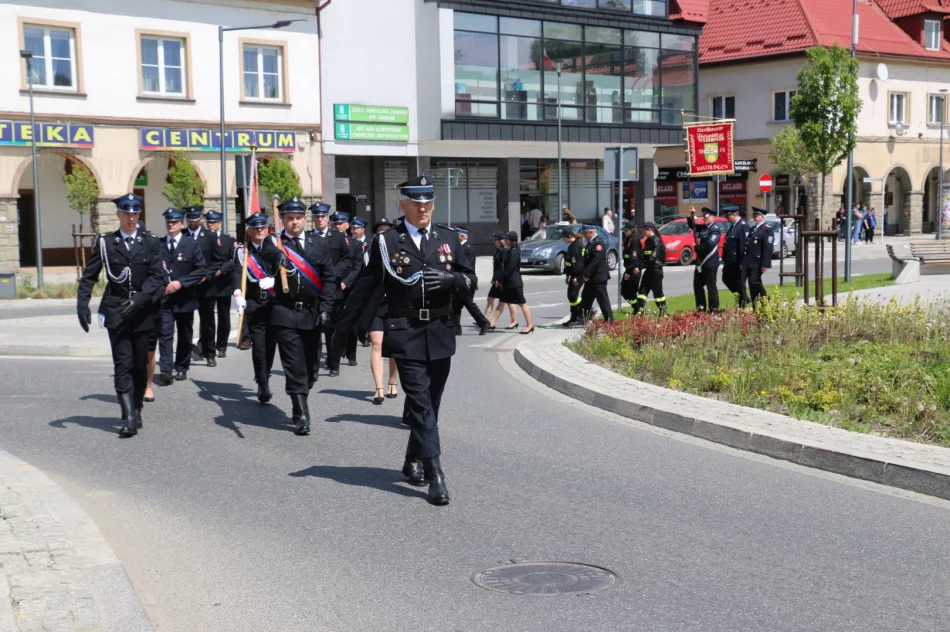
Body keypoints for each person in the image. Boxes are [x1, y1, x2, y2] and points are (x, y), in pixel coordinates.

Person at [333, 174, 478, 506]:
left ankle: (412, 458)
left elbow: (471, 281)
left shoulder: (451, 238)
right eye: (416, 203)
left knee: (430, 404)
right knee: (422, 402)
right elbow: (367, 286)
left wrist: (451, 278)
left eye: (428, 203)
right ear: (403, 206)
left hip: (440, 331)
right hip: (405, 330)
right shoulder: (386, 242)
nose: (423, 208)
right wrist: (344, 325)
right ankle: (436, 474)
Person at [77, 193, 164, 438]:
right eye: (126, 213)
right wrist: (82, 304)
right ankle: (127, 416)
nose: (131, 218)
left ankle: (136, 407)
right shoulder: (105, 242)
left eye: (135, 213)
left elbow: (158, 277)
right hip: (116, 311)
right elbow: (90, 275)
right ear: (118, 214)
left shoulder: (150, 242)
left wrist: (139, 299)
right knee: (122, 364)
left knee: (139, 365)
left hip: (142, 311)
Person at [259, 197, 337, 435]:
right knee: (293, 364)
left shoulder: (318, 243)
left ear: (305, 219)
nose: (294, 222)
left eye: (298, 218)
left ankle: (301, 391)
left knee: (312, 366)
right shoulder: (275, 242)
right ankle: (301, 410)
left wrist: (325, 309)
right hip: (285, 313)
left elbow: (330, 278)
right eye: (289, 218)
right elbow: (266, 249)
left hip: (312, 312)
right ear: (282, 220)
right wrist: (277, 257)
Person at [157, 208, 207, 385]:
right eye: (168, 222)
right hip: (165, 298)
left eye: (174, 222)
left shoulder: (191, 245)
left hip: (185, 297)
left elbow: (201, 269)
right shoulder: (159, 244)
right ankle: (165, 369)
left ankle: (181, 367)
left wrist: (181, 283)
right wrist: (165, 283)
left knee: (185, 334)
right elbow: (155, 268)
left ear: (181, 224)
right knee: (165, 334)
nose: (170, 225)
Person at [232, 212, 278, 403]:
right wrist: (237, 293)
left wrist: (274, 280)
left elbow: (284, 269)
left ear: (267, 229)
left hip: (275, 303)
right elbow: (236, 273)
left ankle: (265, 374)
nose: (259, 230)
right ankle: (262, 383)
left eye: (262, 227)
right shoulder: (243, 252)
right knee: (258, 346)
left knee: (270, 345)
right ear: (249, 231)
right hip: (255, 304)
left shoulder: (276, 247)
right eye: (255, 227)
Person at [309, 203, 353, 377]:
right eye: (317, 216)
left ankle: (334, 364)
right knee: (314, 329)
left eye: (323, 216)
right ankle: (313, 366)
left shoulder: (338, 237)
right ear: (313, 218)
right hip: (313, 288)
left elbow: (347, 259)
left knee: (333, 330)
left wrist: (334, 273)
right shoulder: (308, 237)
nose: (320, 219)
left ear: (328, 218)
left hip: (333, 288)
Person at [365, 218, 400, 404]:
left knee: (393, 345)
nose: (383, 235)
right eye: (380, 232)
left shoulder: (400, 253)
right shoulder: (368, 255)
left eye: (387, 231)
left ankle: (392, 382)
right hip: (375, 305)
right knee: (376, 343)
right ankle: (378, 387)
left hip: (394, 305)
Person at [184, 206, 215, 364]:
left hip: (205, 286)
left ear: (201, 219)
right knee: (185, 322)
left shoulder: (209, 236)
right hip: (187, 286)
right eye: (190, 218)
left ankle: (210, 353)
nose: (193, 222)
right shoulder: (182, 235)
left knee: (207, 321)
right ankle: (186, 353)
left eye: (196, 219)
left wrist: (206, 275)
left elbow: (217, 260)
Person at [205, 211, 236, 360]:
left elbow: (234, 259)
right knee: (208, 318)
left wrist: (221, 270)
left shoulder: (228, 240)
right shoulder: (202, 239)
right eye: (208, 222)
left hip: (223, 283)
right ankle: (207, 346)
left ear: (220, 223)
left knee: (224, 317)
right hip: (208, 283)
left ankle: (221, 345)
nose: (210, 224)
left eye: (213, 222)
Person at [490, 231, 534, 334]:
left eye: (506, 239)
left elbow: (509, 269)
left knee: (522, 304)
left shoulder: (513, 251)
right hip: (508, 282)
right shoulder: (509, 250)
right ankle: (492, 323)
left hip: (514, 283)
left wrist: (501, 280)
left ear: (510, 240)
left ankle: (529, 325)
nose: (505, 240)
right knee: (501, 303)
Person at [452, 227, 492, 335]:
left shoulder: (467, 248)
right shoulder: (462, 247)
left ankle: (484, 323)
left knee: (469, 304)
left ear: (461, 236)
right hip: (461, 280)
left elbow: (465, 266)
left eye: (456, 235)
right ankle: (456, 328)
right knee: (455, 305)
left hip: (466, 281)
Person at [688, 206, 722, 313]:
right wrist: (692, 215)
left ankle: (713, 309)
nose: (704, 218)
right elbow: (692, 225)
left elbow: (710, 245)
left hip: (710, 262)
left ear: (713, 217)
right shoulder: (703, 228)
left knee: (710, 286)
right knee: (697, 285)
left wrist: (697, 247)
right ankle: (701, 309)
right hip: (700, 263)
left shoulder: (714, 230)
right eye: (703, 216)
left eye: (707, 216)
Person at [578, 224, 613, 323]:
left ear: (591, 232)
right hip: (592, 278)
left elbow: (595, 262)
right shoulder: (591, 242)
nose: (584, 235)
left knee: (602, 300)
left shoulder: (598, 243)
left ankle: (610, 321)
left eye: (585, 233)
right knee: (586, 299)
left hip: (598, 277)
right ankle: (582, 318)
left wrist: (586, 274)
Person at [742, 208, 775, 310]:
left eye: (757, 215)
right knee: (752, 285)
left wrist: (765, 264)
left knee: (754, 282)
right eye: (754, 215)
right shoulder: (753, 229)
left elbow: (768, 248)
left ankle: (765, 298)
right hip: (750, 262)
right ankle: (756, 306)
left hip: (758, 261)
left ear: (763, 217)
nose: (755, 217)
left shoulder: (767, 229)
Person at [485, 231, 516, 330]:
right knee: (491, 298)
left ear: (500, 240)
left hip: (501, 280)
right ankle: (484, 320)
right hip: (497, 279)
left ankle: (513, 321)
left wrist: (499, 280)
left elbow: (503, 267)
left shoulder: (503, 251)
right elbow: (496, 267)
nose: (494, 242)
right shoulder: (498, 250)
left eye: (495, 240)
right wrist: (494, 278)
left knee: (506, 301)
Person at [636, 222, 668, 317]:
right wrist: (639, 264)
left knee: (657, 293)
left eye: (644, 231)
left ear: (650, 229)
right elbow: (644, 256)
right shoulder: (648, 241)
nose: (643, 233)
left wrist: (641, 267)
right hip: (649, 270)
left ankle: (663, 312)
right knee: (642, 291)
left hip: (656, 270)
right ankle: (640, 311)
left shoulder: (656, 241)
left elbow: (652, 258)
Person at [721, 207, 750, 308]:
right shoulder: (733, 226)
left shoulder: (743, 226)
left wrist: (743, 262)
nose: (727, 219)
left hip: (738, 262)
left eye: (728, 216)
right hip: (730, 262)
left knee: (739, 284)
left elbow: (744, 246)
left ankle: (742, 304)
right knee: (726, 278)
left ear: (734, 214)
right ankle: (744, 298)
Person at [562, 226, 585, 327]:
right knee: (571, 296)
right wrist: (568, 275)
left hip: (578, 275)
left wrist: (575, 276)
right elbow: (569, 264)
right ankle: (574, 317)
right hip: (573, 275)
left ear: (568, 236)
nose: (563, 240)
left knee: (572, 295)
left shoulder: (575, 246)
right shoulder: (572, 245)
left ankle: (582, 314)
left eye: (564, 238)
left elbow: (577, 264)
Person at [620, 222, 642, 312]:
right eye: (624, 231)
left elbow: (634, 258)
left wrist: (628, 273)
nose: (625, 232)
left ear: (632, 230)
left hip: (633, 270)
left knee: (632, 292)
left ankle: (638, 310)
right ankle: (636, 308)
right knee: (624, 291)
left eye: (626, 230)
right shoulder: (628, 239)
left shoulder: (635, 240)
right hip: (628, 268)